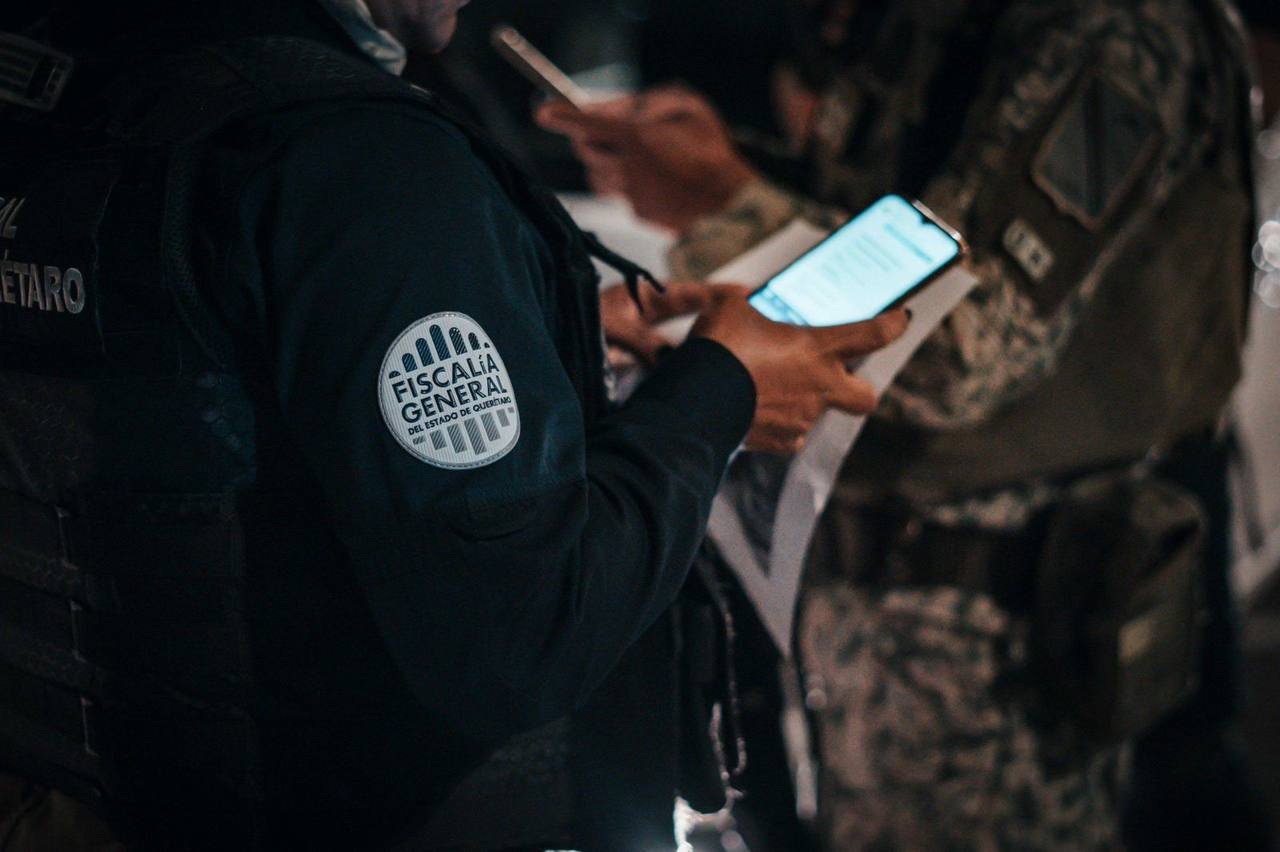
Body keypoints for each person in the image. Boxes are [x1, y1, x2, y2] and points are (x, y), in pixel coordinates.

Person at [0, 1, 910, 849]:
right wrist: (720, 392)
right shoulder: (358, 157)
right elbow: (522, 638)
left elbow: (193, 385)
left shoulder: (84, 84)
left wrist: (528, 334)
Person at [540, 0, 1256, 847]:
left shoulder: (1113, 26)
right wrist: (729, 169)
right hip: (863, 599)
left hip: (999, 643)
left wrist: (723, 201)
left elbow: (955, 347)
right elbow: (881, 214)